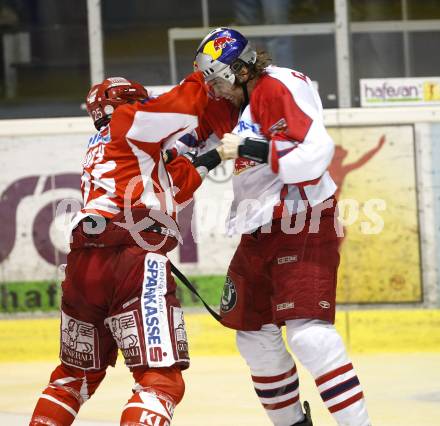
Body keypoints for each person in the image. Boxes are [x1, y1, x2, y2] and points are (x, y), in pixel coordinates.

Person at [29, 74, 238, 426]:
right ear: (125, 103)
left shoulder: (105, 145)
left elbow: (177, 183)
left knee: (72, 379)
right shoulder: (129, 121)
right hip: (131, 261)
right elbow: (182, 106)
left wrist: (217, 154)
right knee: (161, 382)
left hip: (83, 263)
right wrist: (210, 71)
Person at [193, 27, 371, 426]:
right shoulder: (243, 99)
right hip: (259, 231)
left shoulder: (277, 87)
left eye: (219, 80)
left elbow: (314, 154)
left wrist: (245, 148)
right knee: (253, 337)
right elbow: (217, 143)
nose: (215, 90)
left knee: (309, 335)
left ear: (241, 70)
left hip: (302, 221)